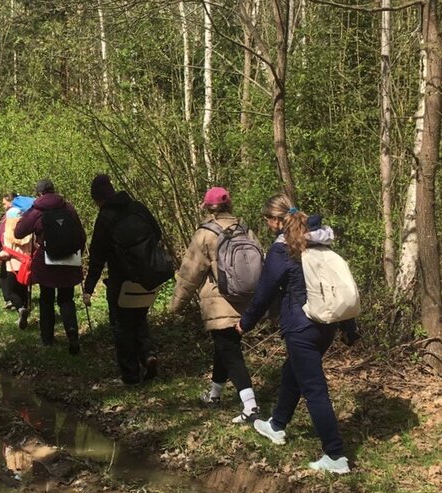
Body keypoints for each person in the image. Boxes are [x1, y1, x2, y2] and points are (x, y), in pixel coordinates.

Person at [236, 194, 351, 474]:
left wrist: (245, 323)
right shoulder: (319, 242)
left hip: (301, 327)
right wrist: (349, 328)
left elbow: (264, 291)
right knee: (292, 372)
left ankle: (335, 456)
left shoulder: (282, 250)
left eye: (266, 220)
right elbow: (338, 285)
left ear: (276, 221)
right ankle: (276, 425)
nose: (266, 225)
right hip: (326, 324)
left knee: (314, 389)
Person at [170, 186, 261, 424]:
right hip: (245, 300)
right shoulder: (245, 228)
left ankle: (250, 406)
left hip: (219, 303)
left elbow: (190, 273)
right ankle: (214, 395)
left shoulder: (205, 233)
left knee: (230, 352)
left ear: (207, 208)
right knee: (224, 346)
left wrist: (176, 305)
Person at [81, 173, 161, 386]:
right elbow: (157, 233)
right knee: (140, 319)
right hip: (147, 278)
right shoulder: (138, 208)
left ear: (99, 198)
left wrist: (88, 289)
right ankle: (148, 354)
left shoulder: (105, 218)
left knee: (122, 327)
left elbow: (97, 256)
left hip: (121, 282)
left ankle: (131, 377)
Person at [14, 179, 86, 354]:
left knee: (47, 299)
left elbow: (19, 232)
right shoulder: (68, 207)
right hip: (69, 260)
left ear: (39, 194)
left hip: (47, 261)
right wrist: (77, 254)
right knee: (66, 299)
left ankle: (47, 340)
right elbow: (81, 236)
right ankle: (72, 333)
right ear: (54, 190)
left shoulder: (37, 210)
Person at [0, 191, 33, 328]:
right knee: (23, 288)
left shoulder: (8, 222)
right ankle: (24, 314)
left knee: (9, 291)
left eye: (4, 203)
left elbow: (1, 241)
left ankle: (21, 309)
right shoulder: (27, 222)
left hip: (11, 262)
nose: (4, 206)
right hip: (26, 261)